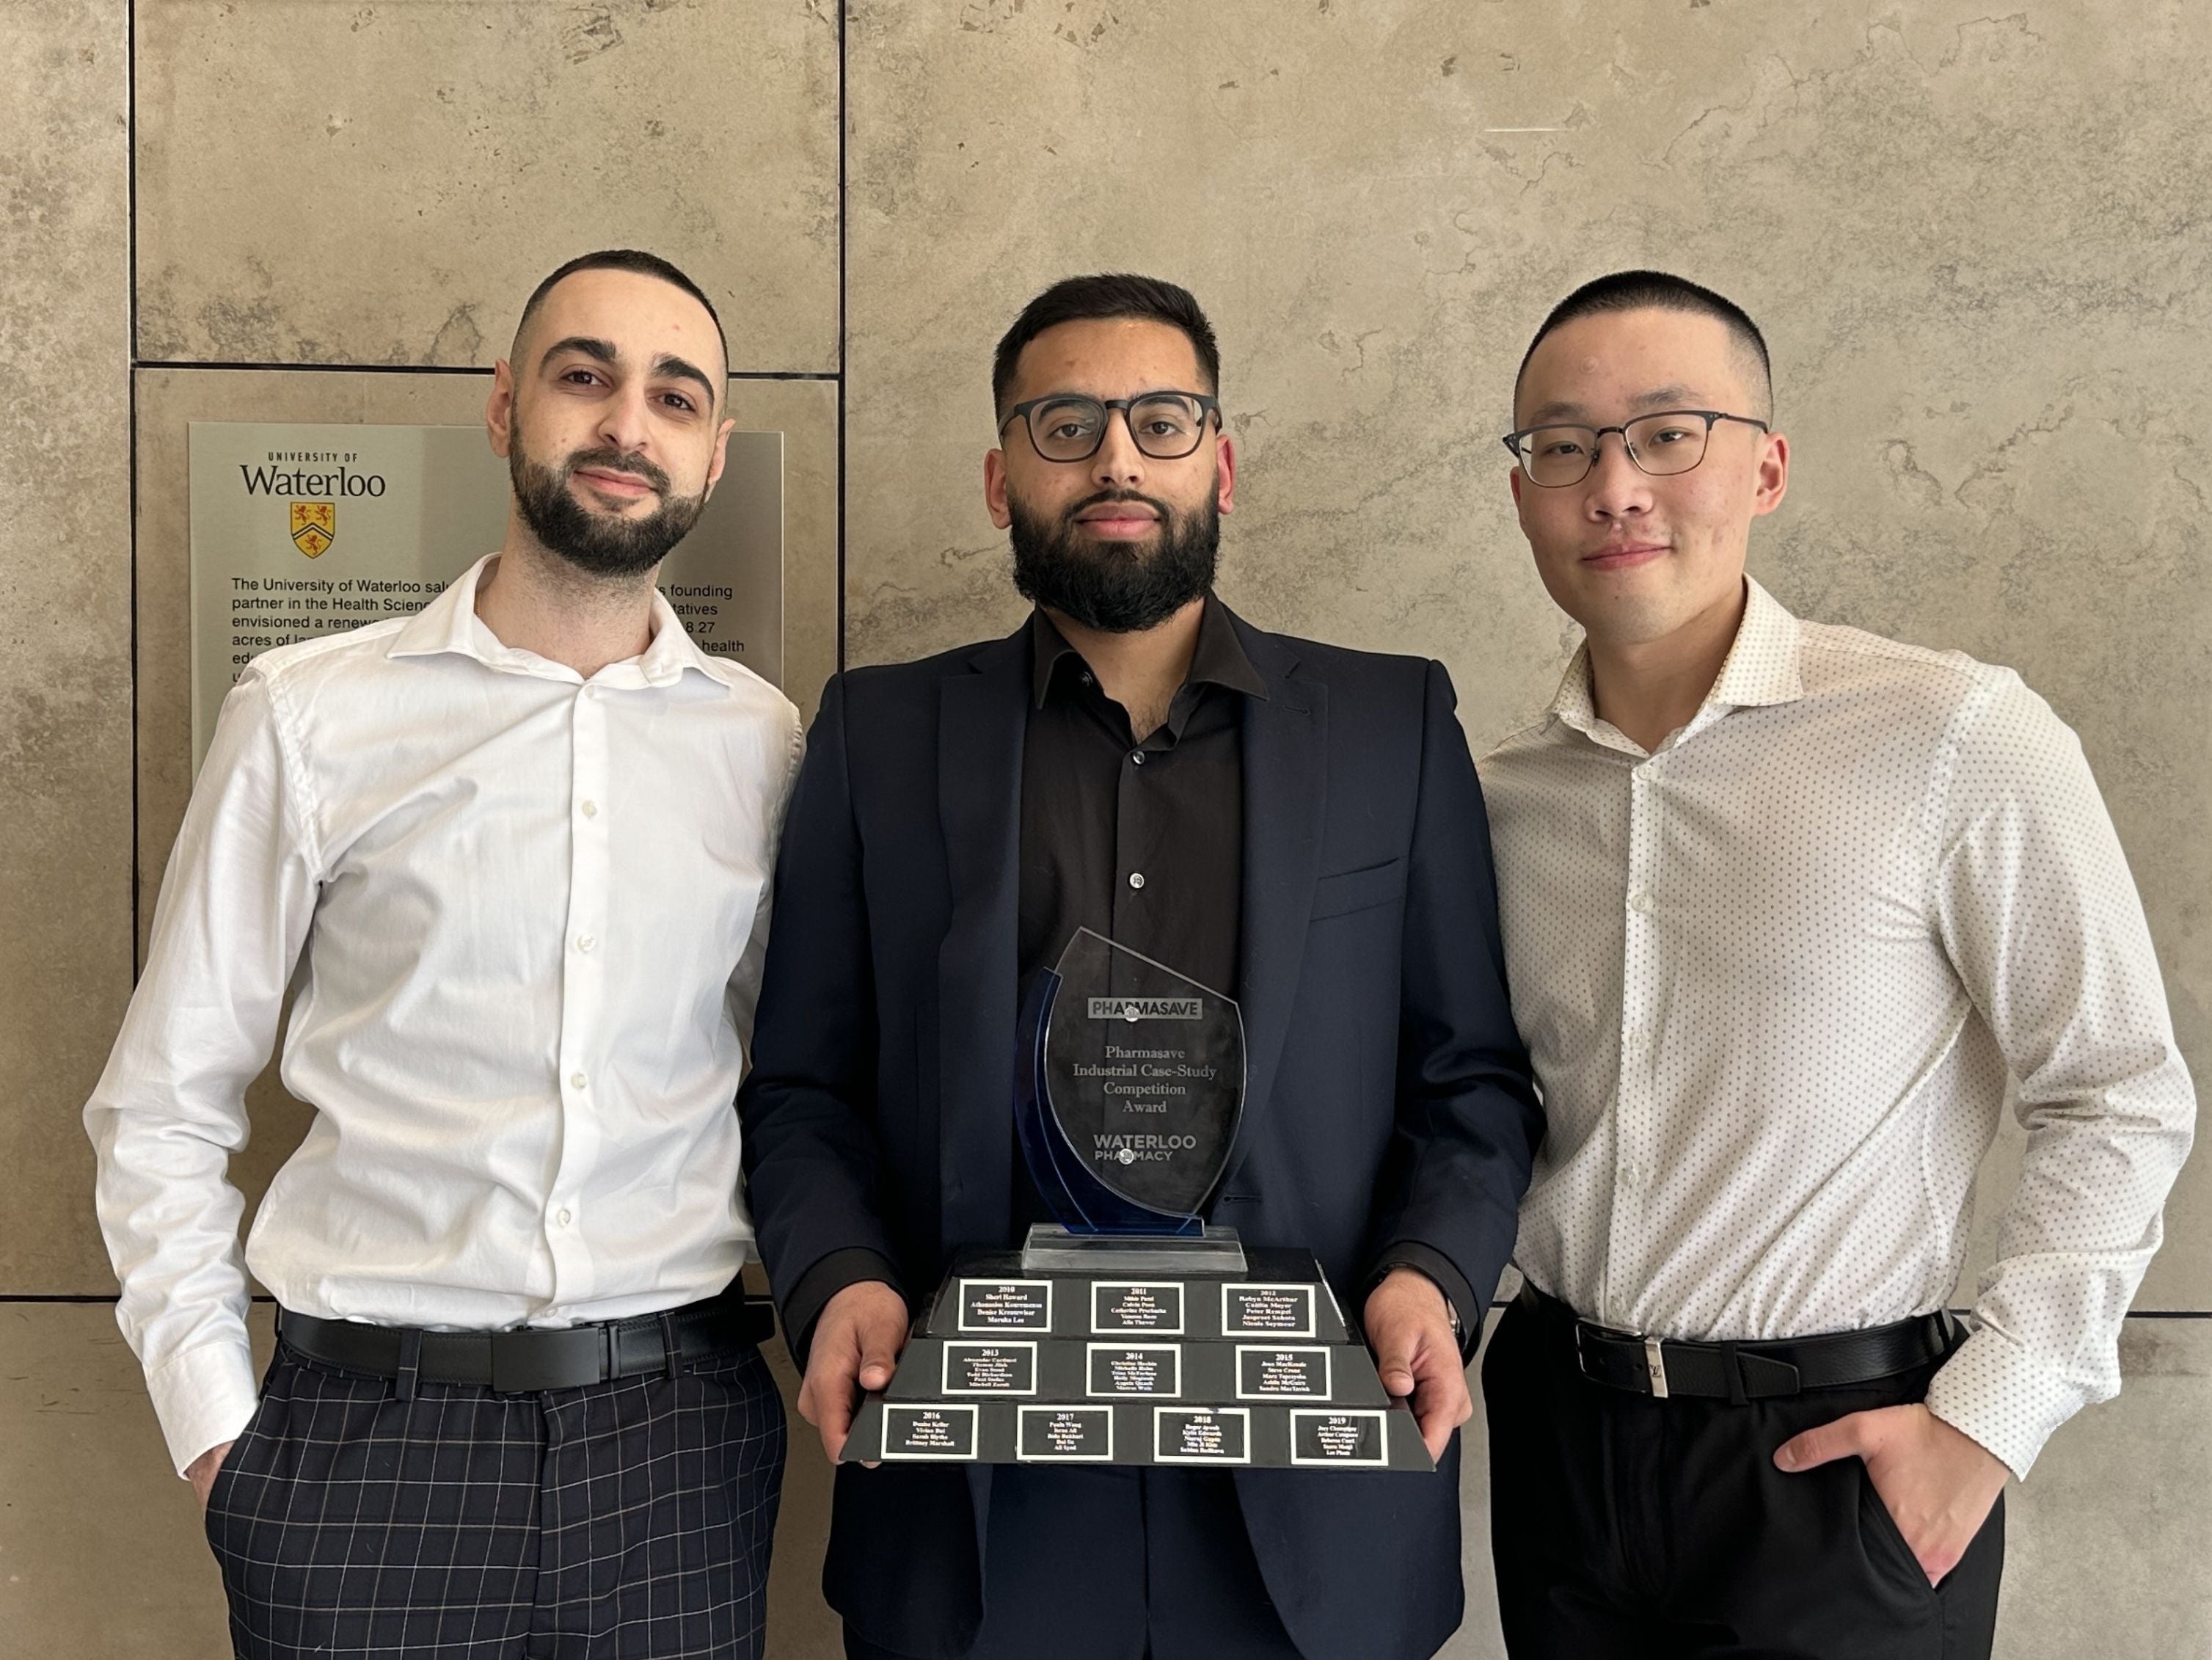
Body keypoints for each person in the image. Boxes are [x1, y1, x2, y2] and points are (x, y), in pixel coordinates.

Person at [738, 272, 1542, 1660]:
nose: (1116, 455)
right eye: (1065, 423)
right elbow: (803, 1084)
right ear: (1002, 479)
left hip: (1312, 1490)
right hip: (978, 1494)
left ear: (1221, 461)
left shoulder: (1391, 723)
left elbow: (1470, 1076)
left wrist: (1433, 1273)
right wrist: (839, 1277)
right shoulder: (879, 735)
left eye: (1160, 420)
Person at [84, 249, 801, 1660]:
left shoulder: (766, 745)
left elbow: (803, 1083)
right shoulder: (311, 716)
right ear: (505, 407)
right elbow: (163, 1098)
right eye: (582, 375)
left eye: (673, 395)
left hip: (678, 1443)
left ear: (713, 455)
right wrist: (222, 1436)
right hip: (359, 1452)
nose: (624, 423)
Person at [1477, 268, 2196, 1659]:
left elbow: (2118, 1091)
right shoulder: (1497, 796)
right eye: (1563, 447)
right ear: (1523, 492)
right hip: (1564, 1431)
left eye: (1668, 432)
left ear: (1768, 464)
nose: (1615, 485)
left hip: (1835, 1463)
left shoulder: (1951, 733)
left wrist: (1987, 1419)